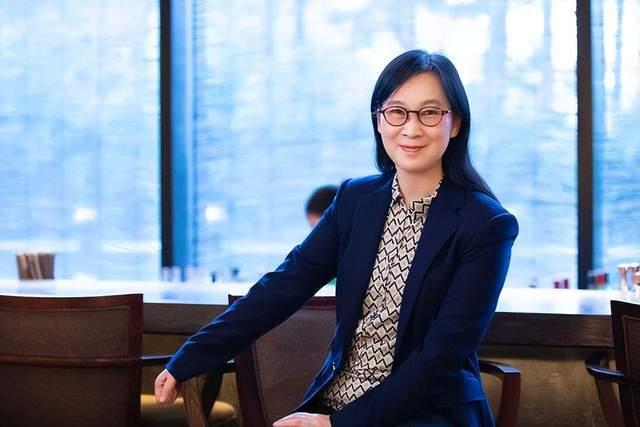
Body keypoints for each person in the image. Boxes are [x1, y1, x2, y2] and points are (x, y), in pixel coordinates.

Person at [155, 49, 518, 427]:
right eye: (396, 112)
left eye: (429, 113)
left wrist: (334, 425)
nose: (411, 128)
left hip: (429, 411)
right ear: (378, 120)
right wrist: (190, 358)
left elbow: (440, 358)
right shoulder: (355, 200)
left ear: (455, 123)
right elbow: (283, 287)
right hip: (338, 400)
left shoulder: (487, 225)